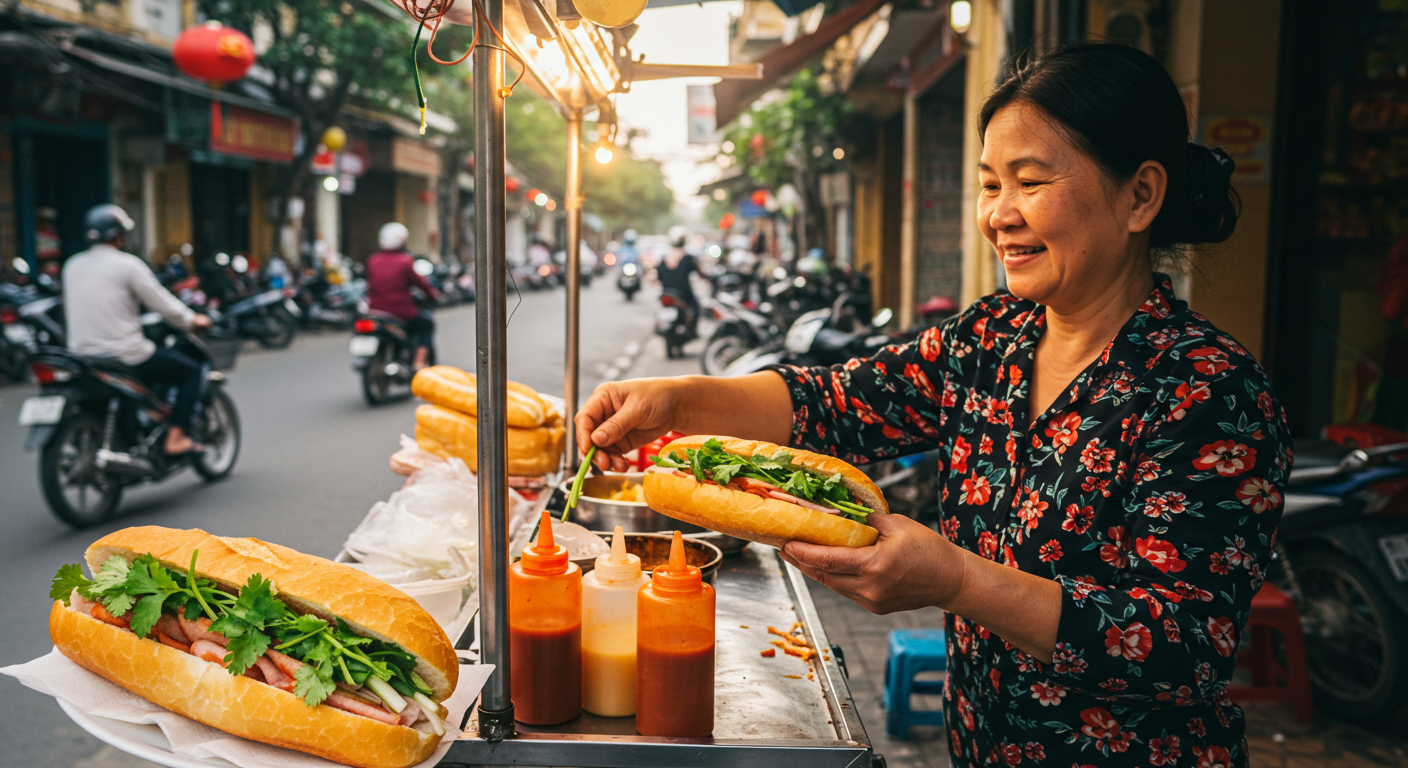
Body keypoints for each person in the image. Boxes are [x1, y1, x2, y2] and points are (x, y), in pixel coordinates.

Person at [575, 43, 1289, 767]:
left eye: (1030, 182)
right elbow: (835, 402)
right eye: (988, 185)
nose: (998, 215)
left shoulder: (1210, 388)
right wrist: (675, 399)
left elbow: (1185, 647)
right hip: (978, 748)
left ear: (1140, 196)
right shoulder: (993, 337)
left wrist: (954, 579)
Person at [64, 204, 213, 456]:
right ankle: (176, 437)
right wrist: (192, 321)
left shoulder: (72, 266)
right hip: (124, 354)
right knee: (192, 373)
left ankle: (151, 413)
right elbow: (163, 304)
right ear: (118, 236)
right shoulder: (127, 265)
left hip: (82, 355)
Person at [366, 222, 439, 371]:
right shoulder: (405, 261)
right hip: (402, 312)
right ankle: (418, 363)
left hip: (375, 311)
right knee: (427, 323)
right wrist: (432, 294)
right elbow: (421, 284)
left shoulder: (373, 261)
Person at [655, 225, 702, 327]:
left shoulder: (664, 257)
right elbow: (700, 272)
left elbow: (658, 276)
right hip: (683, 293)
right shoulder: (688, 258)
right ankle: (693, 330)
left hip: (666, 291)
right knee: (696, 307)